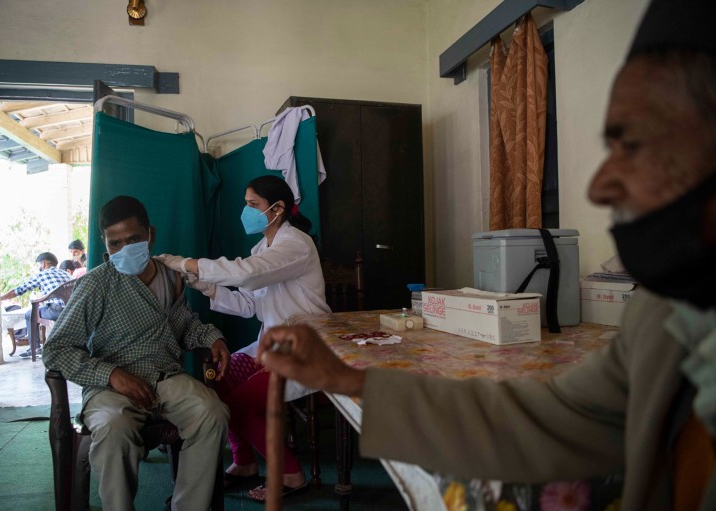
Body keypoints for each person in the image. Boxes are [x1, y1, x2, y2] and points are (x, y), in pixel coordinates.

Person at [256, 2, 716, 510]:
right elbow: (556, 418)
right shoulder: (668, 315)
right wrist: (347, 379)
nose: (600, 185)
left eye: (636, 144)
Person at [42, 195, 231, 511]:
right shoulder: (96, 284)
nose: (124, 249)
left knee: (211, 413)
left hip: (166, 378)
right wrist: (112, 375)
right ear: (105, 244)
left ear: (150, 235)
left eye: (133, 240)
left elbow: (183, 325)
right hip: (109, 388)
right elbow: (56, 349)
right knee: (113, 425)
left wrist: (213, 338)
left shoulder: (171, 276)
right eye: (114, 243)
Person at [157, 175, 331, 502]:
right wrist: (205, 286)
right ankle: (245, 461)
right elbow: (249, 305)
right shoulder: (261, 248)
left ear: (277, 209)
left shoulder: (296, 244)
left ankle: (290, 474)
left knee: (235, 407)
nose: (246, 211)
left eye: (253, 204)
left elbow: (248, 273)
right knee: (220, 375)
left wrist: (187, 263)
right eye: (246, 203)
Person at [0, 251, 71, 358]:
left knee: (29, 314)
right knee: (43, 309)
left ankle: (35, 348)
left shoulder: (41, 275)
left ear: (43, 264)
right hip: (72, 309)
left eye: (39, 264)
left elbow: (17, 291)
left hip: (57, 311)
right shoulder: (66, 274)